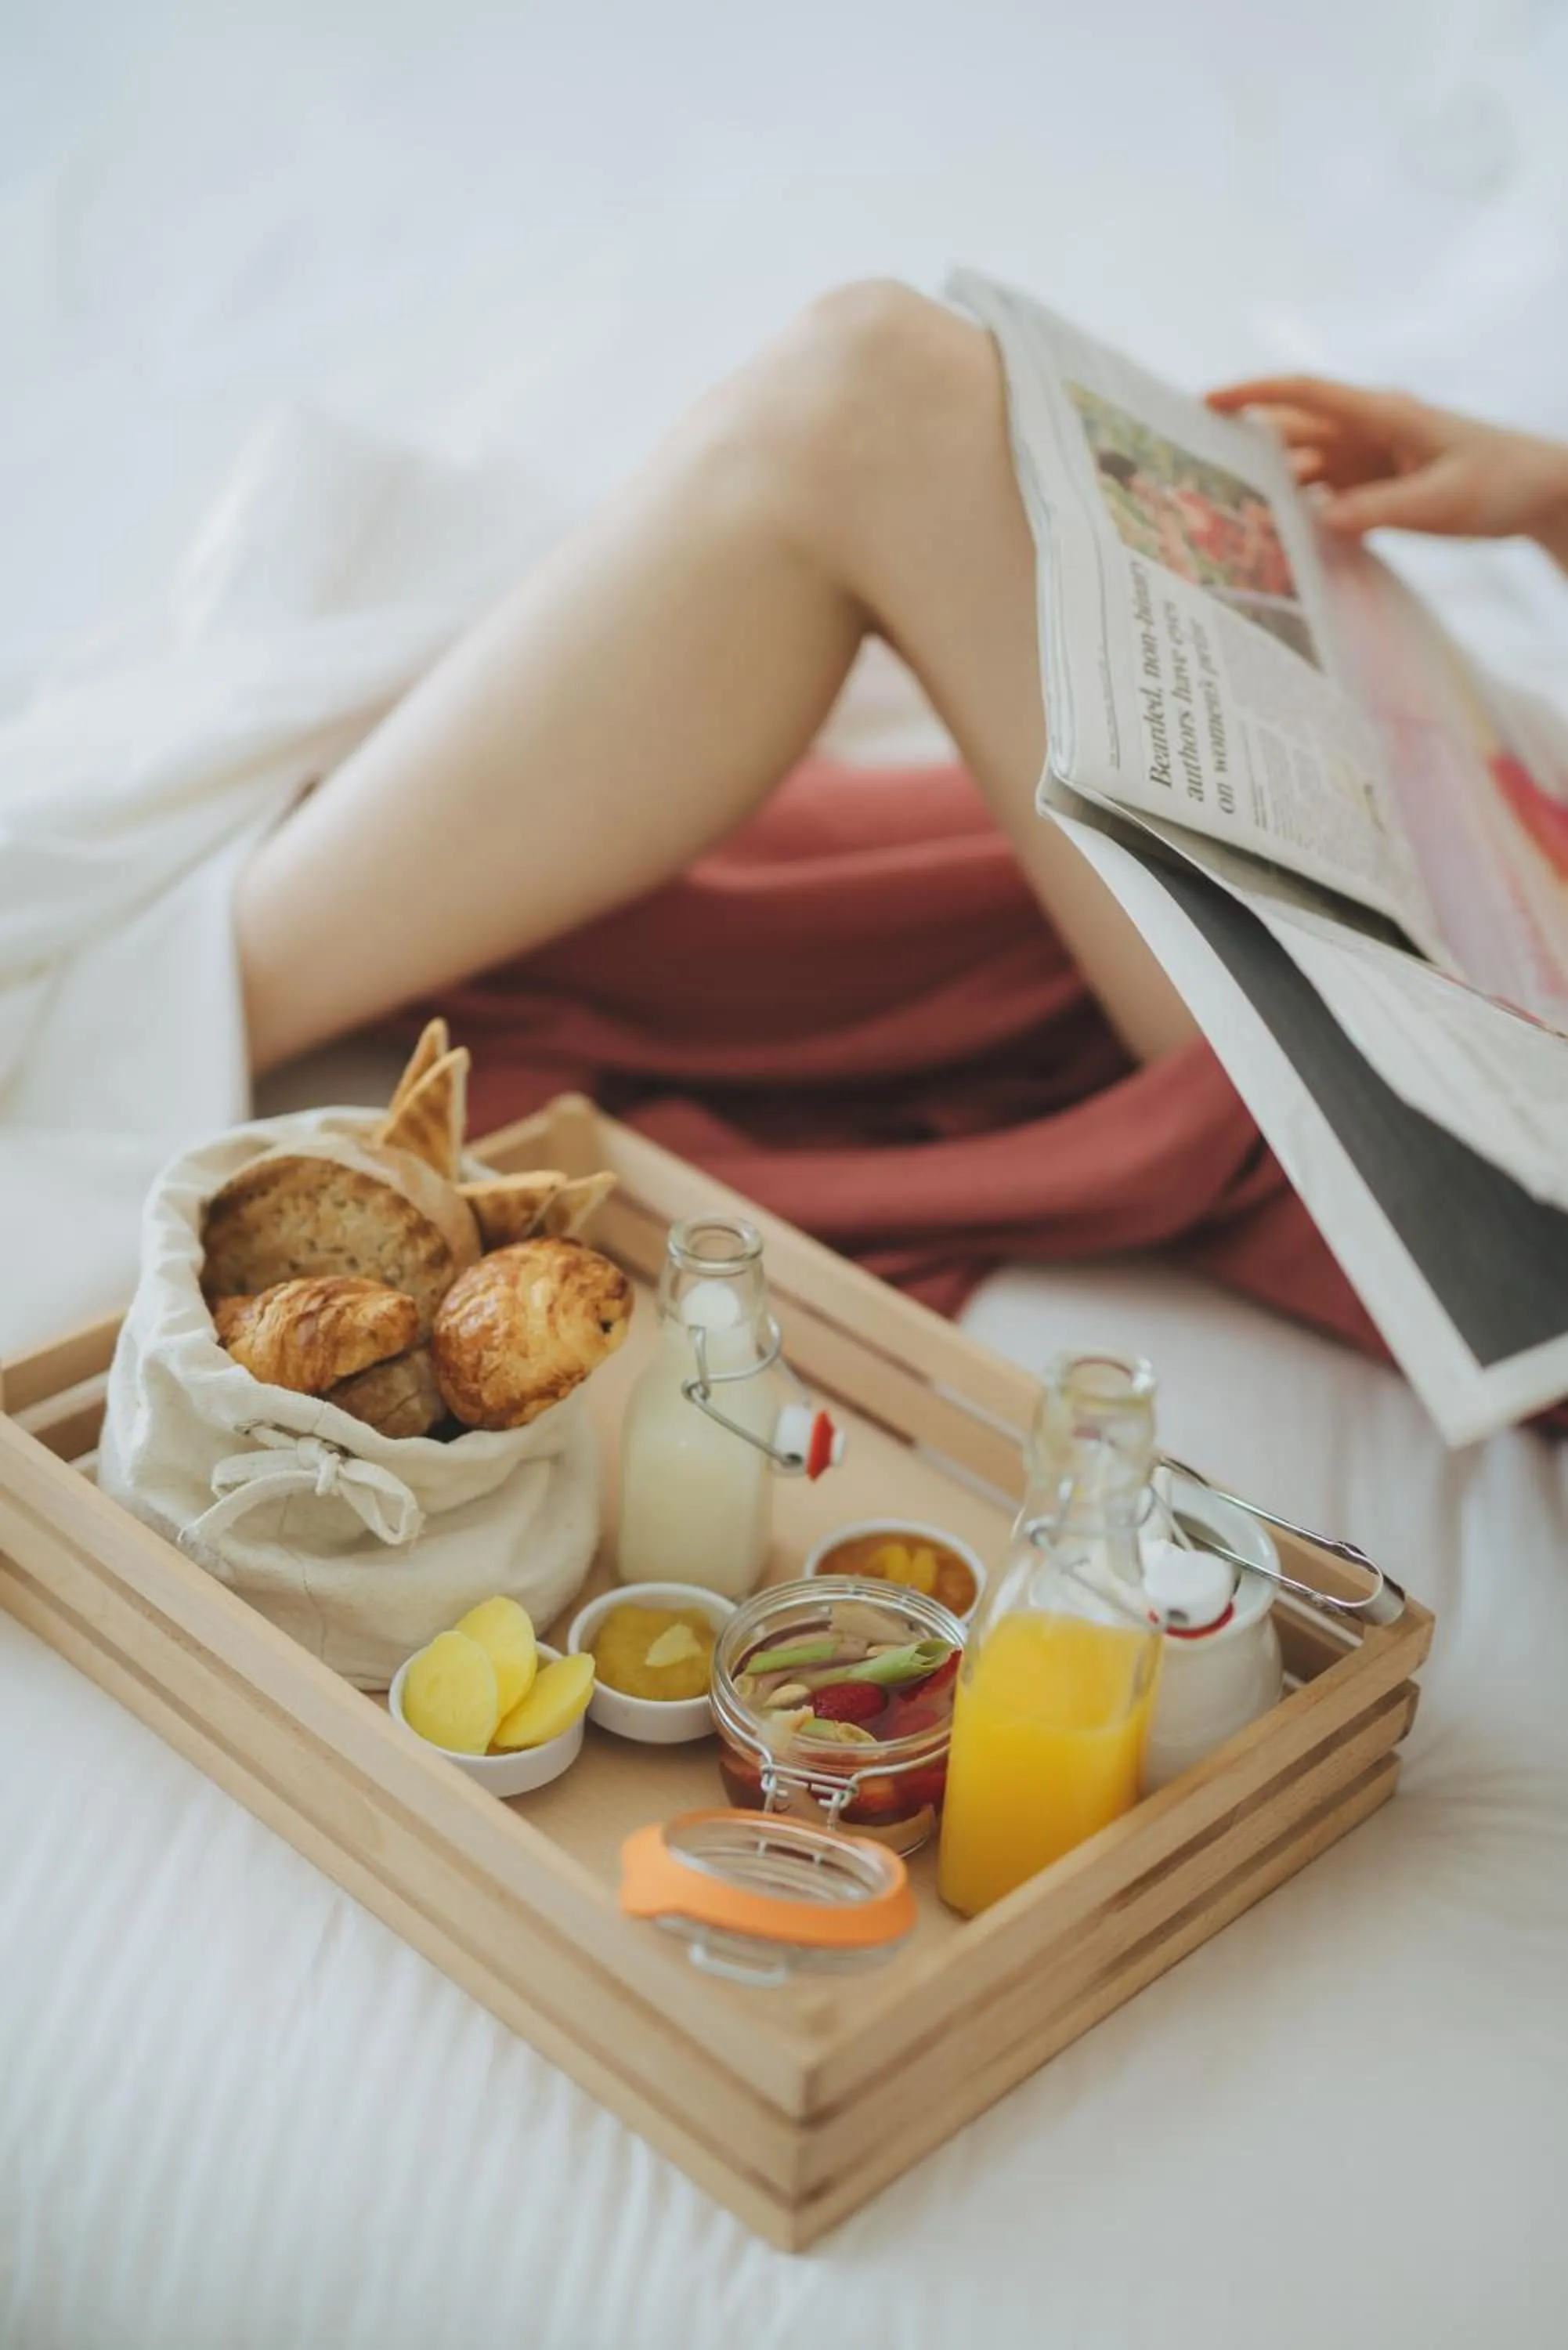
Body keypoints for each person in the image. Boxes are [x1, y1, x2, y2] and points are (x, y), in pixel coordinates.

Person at [234, 284, 1568, 1124]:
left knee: (865, 396)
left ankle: (187, 1017)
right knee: (887, 423)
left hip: (1489, 1081)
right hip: (1507, 831)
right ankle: (217, 973)